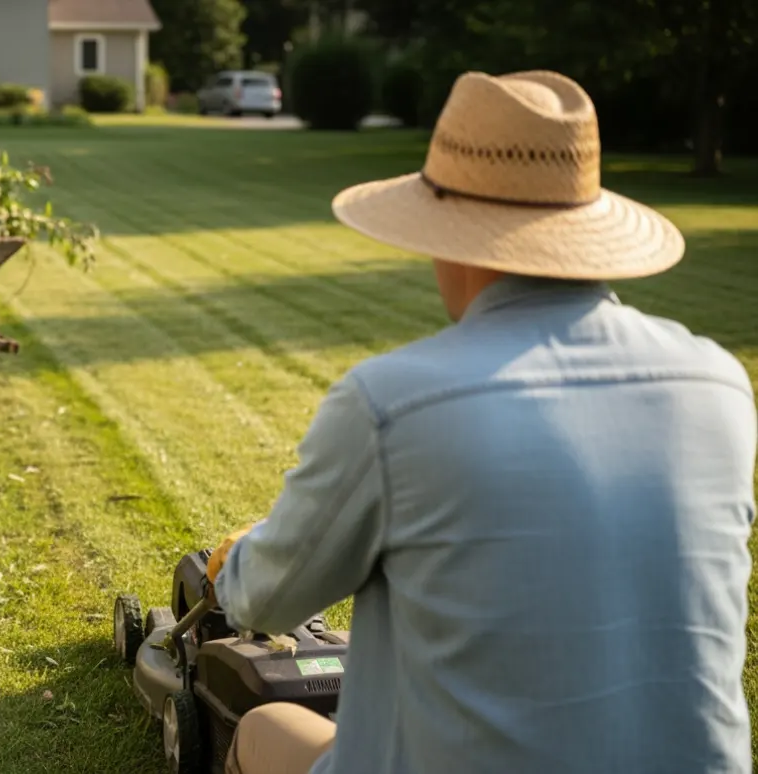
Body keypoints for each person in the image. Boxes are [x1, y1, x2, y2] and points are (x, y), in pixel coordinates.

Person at [204, 69, 757, 774]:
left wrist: (242, 553)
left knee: (262, 727)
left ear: (451, 236)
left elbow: (262, 600)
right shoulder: (719, 384)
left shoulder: (390, 404)